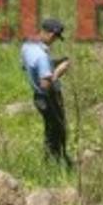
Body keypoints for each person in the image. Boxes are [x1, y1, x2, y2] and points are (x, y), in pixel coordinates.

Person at [21, 18, 72, 165]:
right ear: (50, 34)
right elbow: (46, 84)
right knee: (57, 131)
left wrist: (53, 62)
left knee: (50, 130)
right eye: (55, 38)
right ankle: (57, 162)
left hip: (38, 98)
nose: (54, 41)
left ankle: (51, 161)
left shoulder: (27, 46)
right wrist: (58, 71)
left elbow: (27, 67)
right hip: (48, 97)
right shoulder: (42, 56)